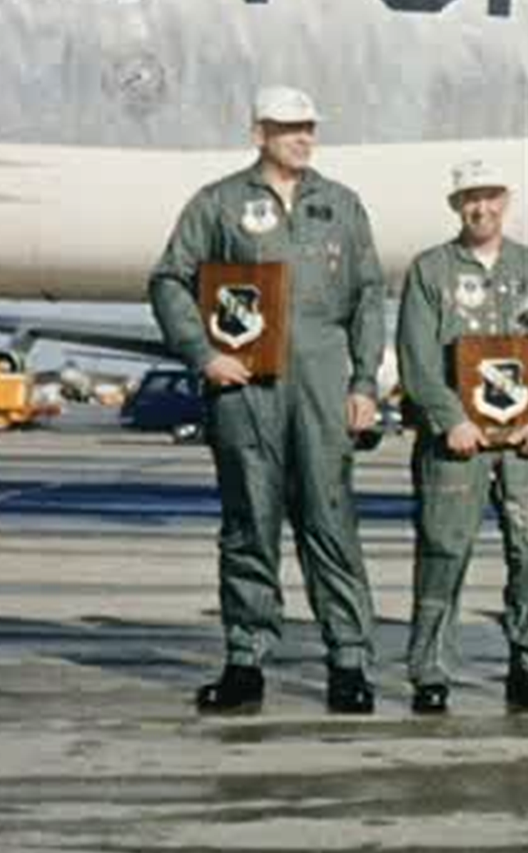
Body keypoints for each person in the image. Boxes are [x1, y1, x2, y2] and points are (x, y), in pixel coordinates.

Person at [148, 86, 387, 715]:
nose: (302, 138)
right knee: (249, 524)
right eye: (287, 128)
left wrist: (365, 385)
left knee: (331, 524)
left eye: (308, 127)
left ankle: (349, 662)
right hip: (245, 389)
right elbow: (171, 278)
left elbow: (367, 299)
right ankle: (246, 660)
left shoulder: (341, 205)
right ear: (259, 134)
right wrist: (203, 355)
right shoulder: (220, 204)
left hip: (322, 384)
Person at [397, 160, 528, 715]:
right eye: (468, 198)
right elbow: (417, 357)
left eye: (489, 196)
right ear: (456, 205)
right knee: (443, 550)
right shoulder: (431, 270)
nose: (480, 208)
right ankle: (430, 671)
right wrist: (448, 418)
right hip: (456, 442)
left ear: (507, 200)